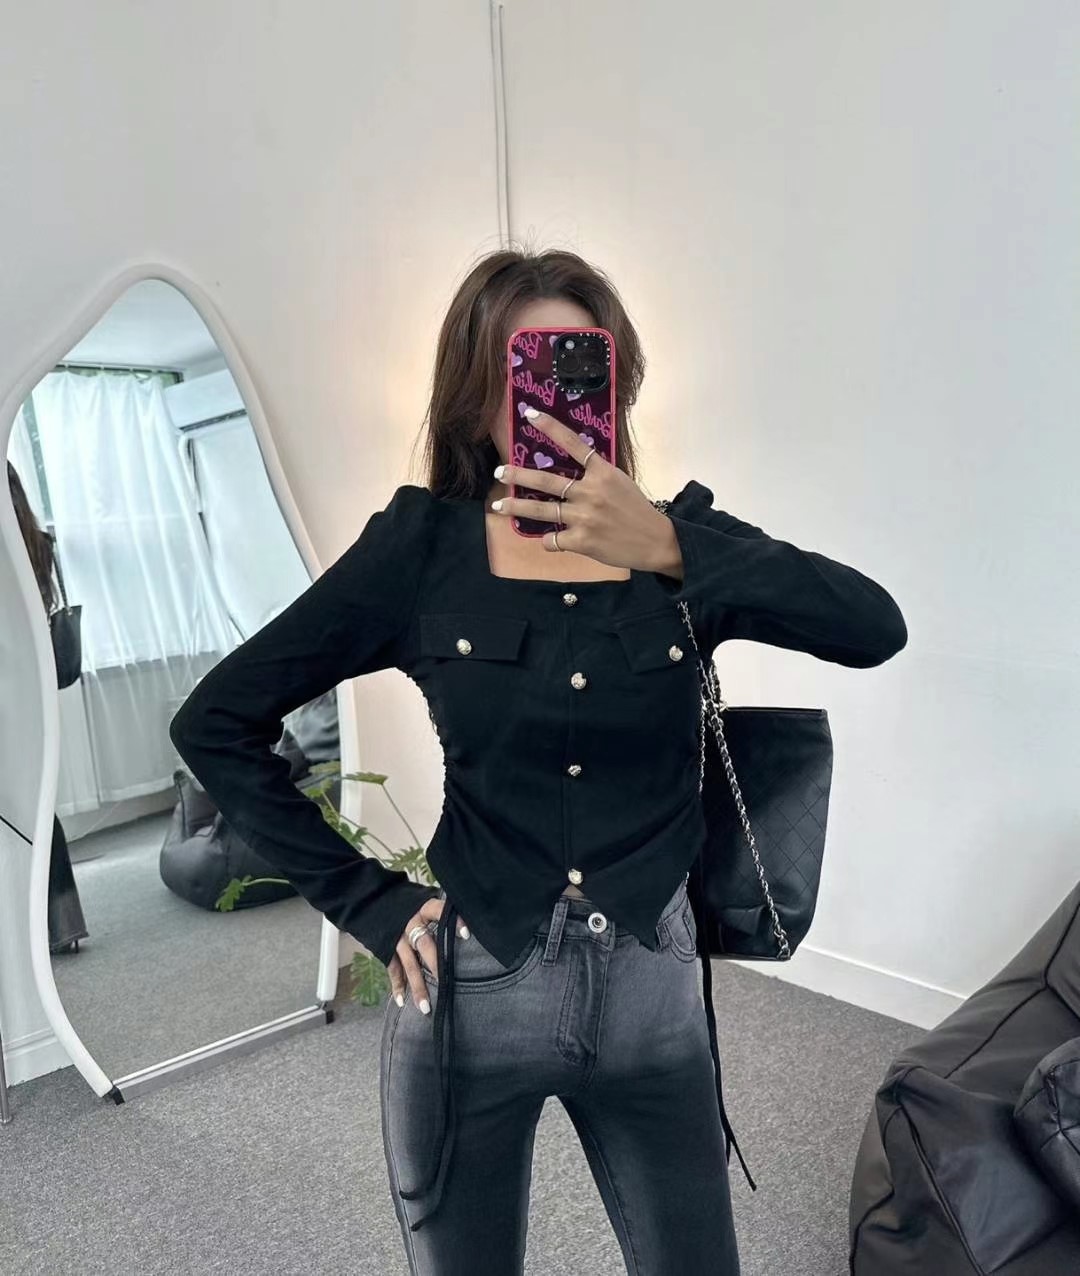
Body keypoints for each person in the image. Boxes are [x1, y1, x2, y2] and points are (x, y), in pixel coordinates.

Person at [168, 247, 908, 1275]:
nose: (554, 407)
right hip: (472, 995)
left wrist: (671, 547)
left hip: (656, 998)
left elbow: (874, 626)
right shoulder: (419, 550)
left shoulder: (681, 539)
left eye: (580, 371)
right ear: (479, 399)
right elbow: (215, 720)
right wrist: (367, 902)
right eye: (524, 375)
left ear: (618, 388)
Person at [7, 460, 90, 954]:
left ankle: (26, 928)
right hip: (30, 686)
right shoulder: (38, 541)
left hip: (9, 682)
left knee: (18, 808)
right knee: (36, 806)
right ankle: (62, 924)